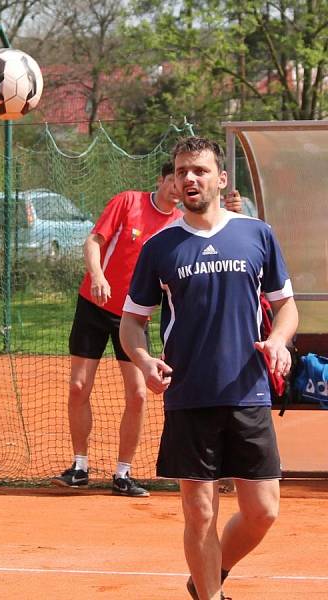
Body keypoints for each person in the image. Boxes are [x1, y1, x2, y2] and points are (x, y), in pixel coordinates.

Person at [119, 136, 298, 600]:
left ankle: (206, 580)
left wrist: (279, 340)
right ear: (174, 183)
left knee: (263, 510)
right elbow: (131, 323)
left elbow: (287, 307)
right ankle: (210, 595)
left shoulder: (256, 233)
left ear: (221, 179)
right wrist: (143, 360)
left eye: (199, 170)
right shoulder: (160, 246)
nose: (189, 178)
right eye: (181, 172)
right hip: (189, 394)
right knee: (199, 513)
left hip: (248, 391)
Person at [51, 162, 243, 497]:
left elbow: (219, 229)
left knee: (138, 394)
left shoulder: (180, 224)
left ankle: (123, 474)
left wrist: (236, 210)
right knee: (79, 386)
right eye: (174, 179)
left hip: (133, 317)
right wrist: (97, 276)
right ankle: (79, 467)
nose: (178, 186)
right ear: (162, 180)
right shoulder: (128, 202)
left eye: (184, 180)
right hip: (94, 305)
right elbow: (93, 242)